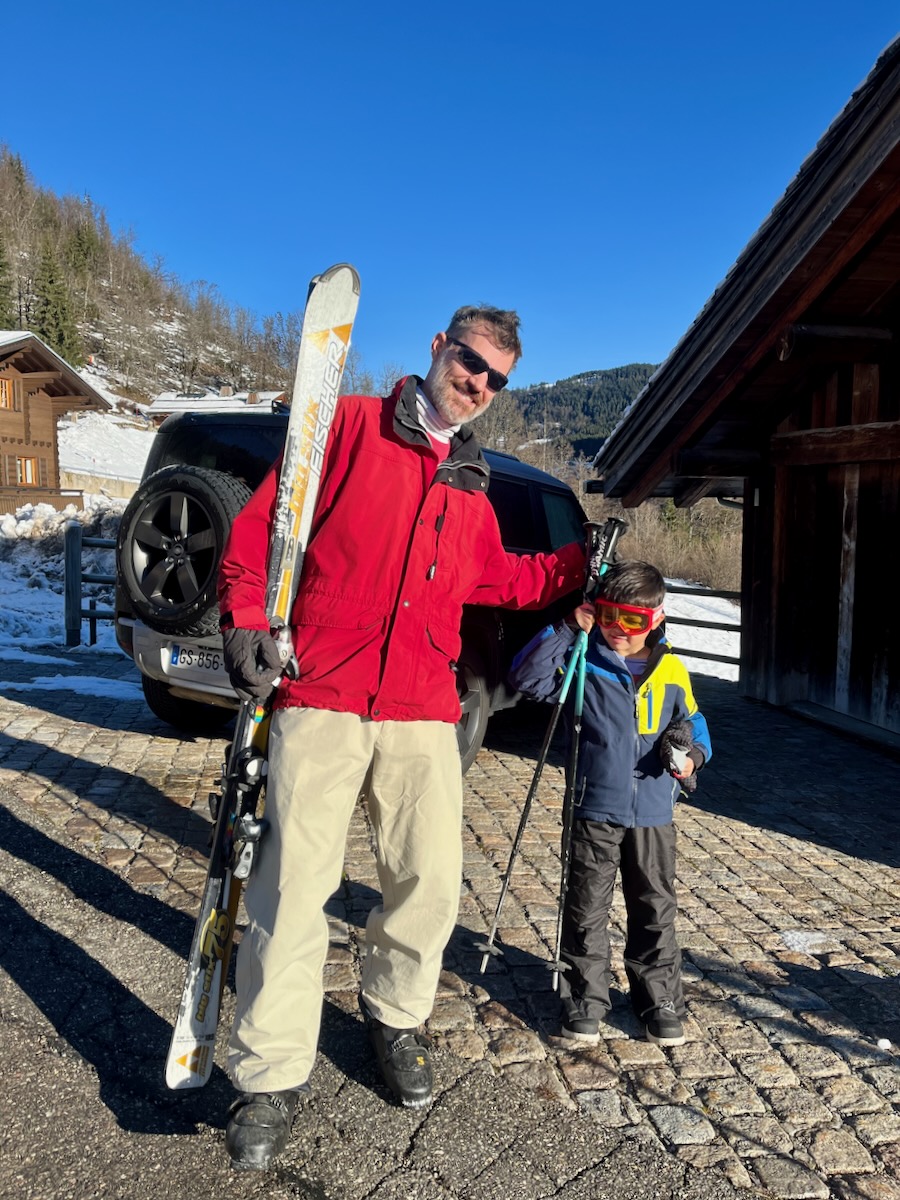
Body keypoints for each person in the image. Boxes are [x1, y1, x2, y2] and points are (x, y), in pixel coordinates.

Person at [216, 305, 586, 1170]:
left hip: (423, 705)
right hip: (325, 691)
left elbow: (497, 577)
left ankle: (395, 1018)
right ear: (438, 348)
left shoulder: (471, 482)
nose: (478, 383)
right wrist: (244, 619)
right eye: (470, 361)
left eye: (496, 378)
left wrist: (579, 568)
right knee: (290, 889)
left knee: (429, 881)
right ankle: (271, 1073)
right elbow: (263, 529)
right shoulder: (345, 426)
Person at [508, 560, 711, 1048]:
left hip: (654, 815)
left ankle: (658, 999)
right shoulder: (584, 659)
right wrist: (566, 628)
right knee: (586, 906)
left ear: (656, 619)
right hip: (593, 808)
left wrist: (692, 755)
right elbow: (527, 678)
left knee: (655, 907)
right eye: (608, 615)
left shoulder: (672, 670)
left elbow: (696, 724)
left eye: (633, 620)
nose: (619, 629)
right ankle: (584, 999)